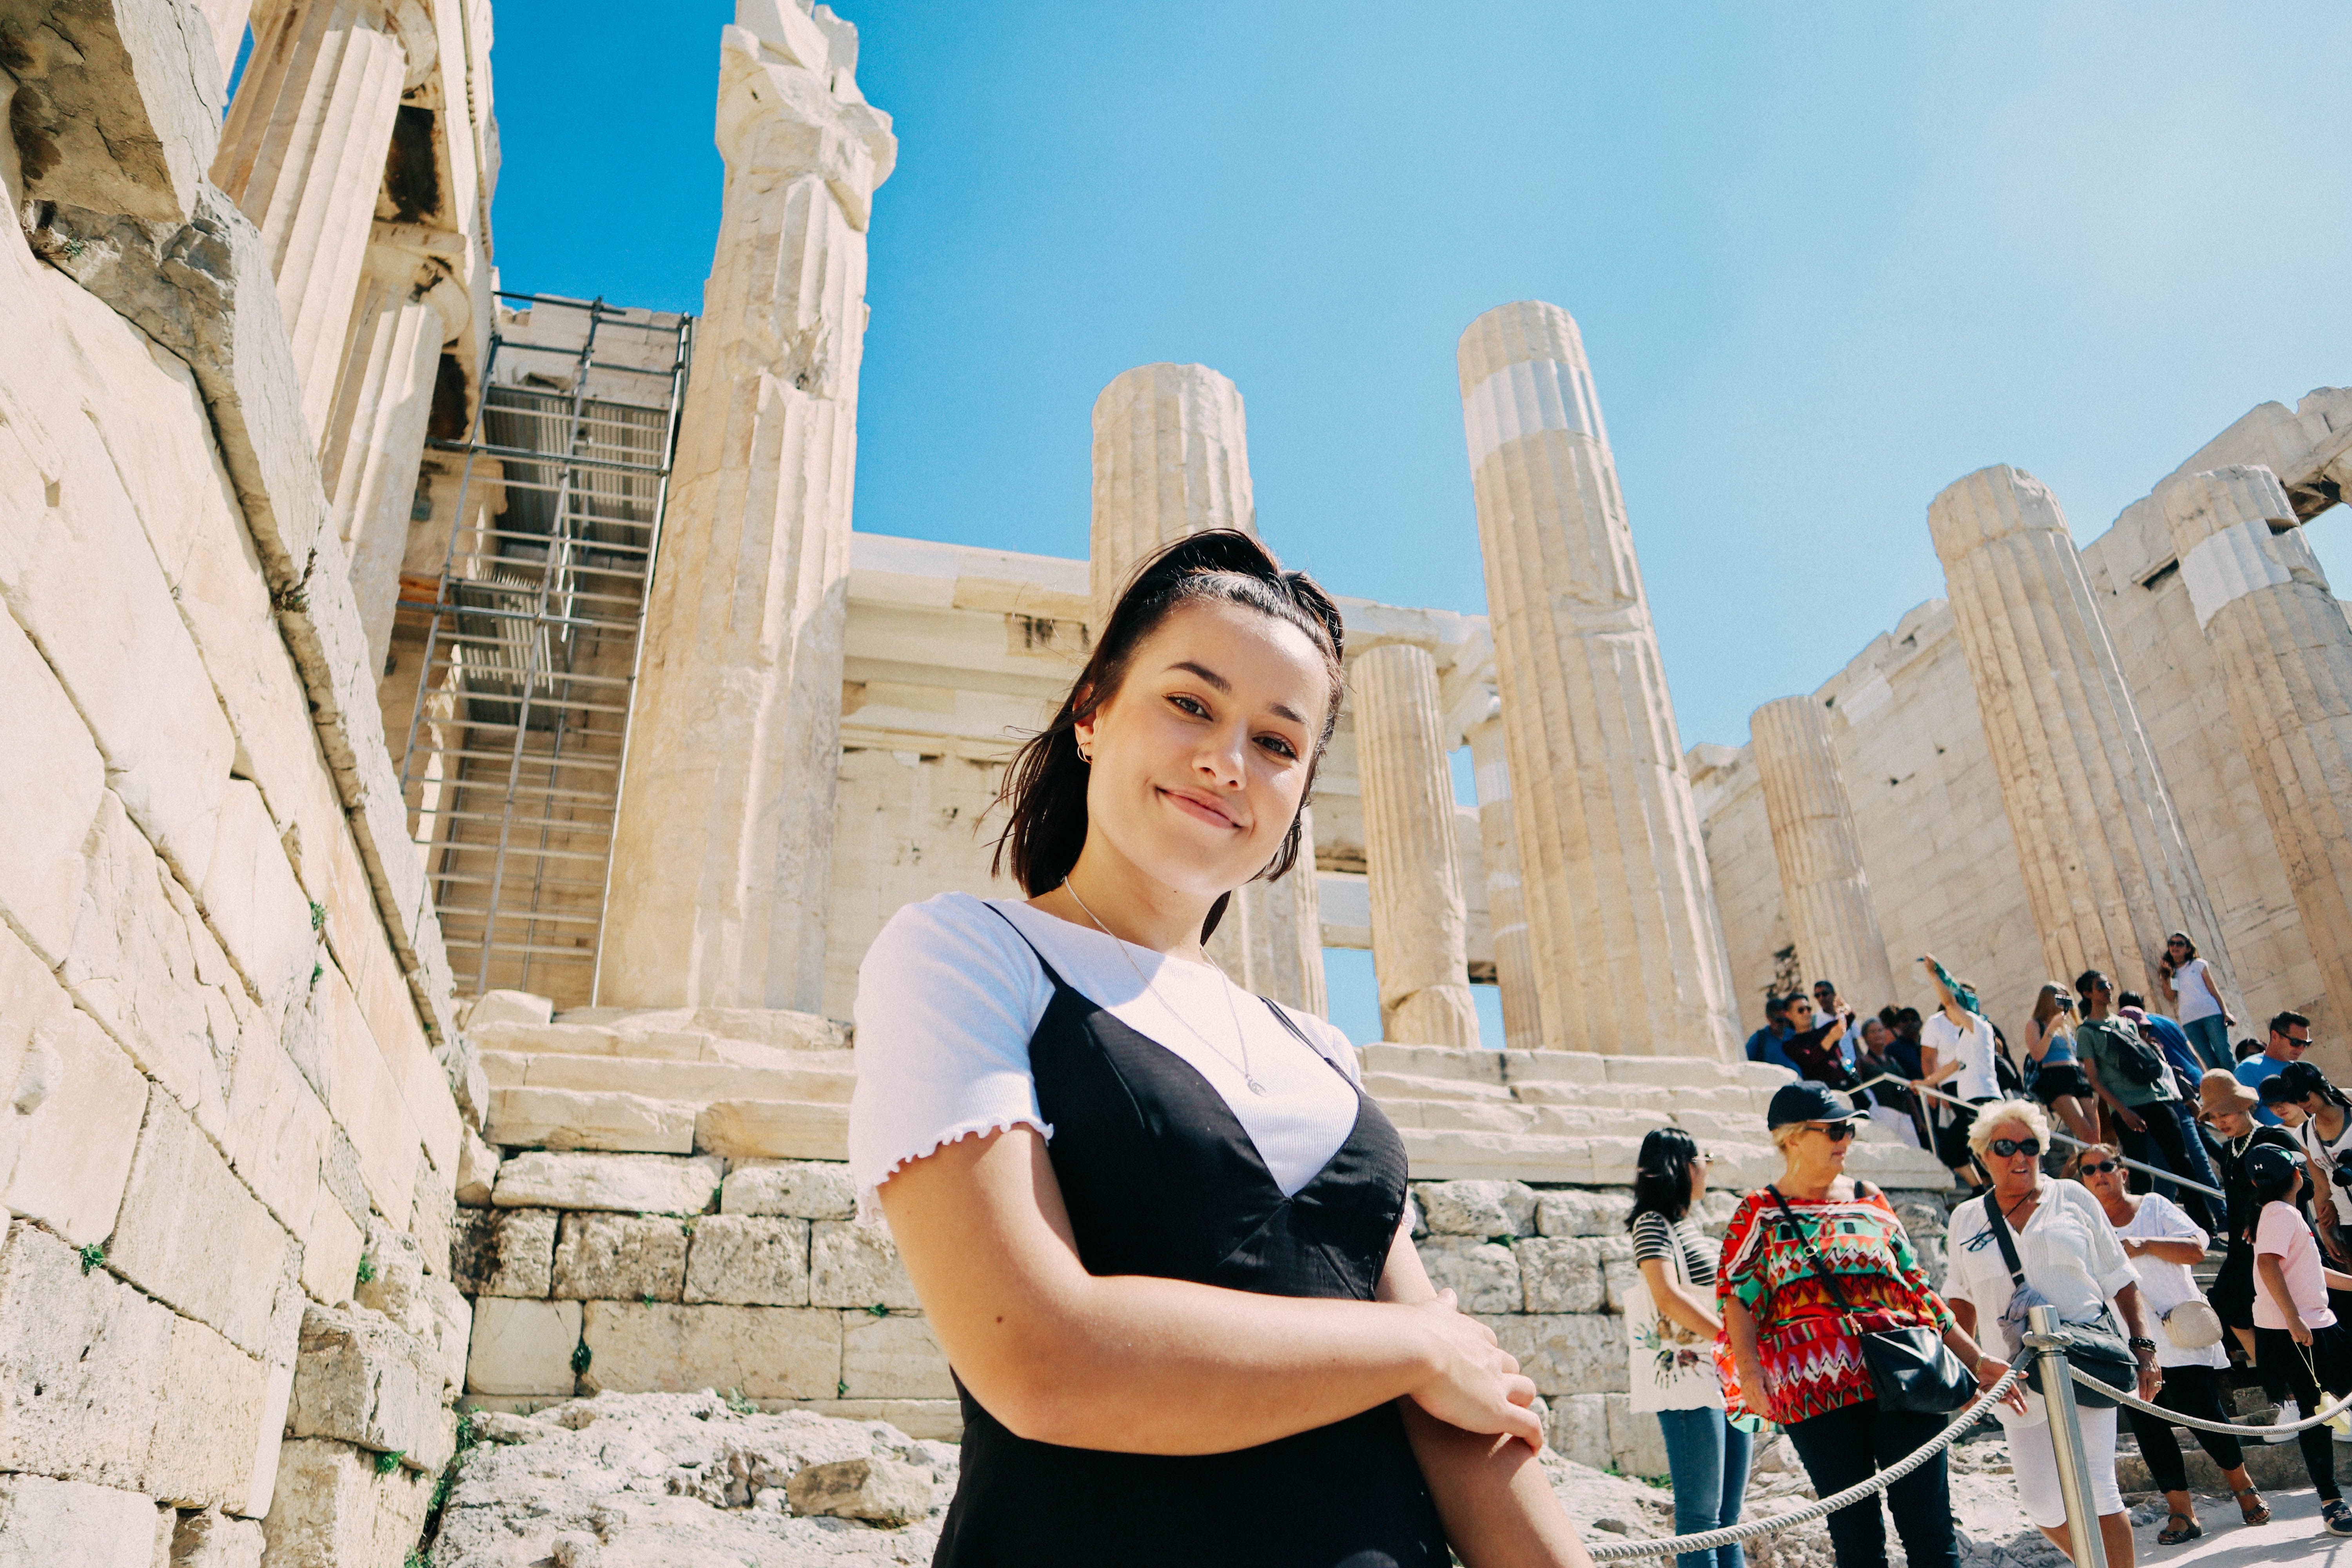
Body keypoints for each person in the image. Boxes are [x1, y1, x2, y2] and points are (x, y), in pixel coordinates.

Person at [848, 532, 1582, 1564]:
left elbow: (1462, 1418)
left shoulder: (1321, 1049)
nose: (1227, 761)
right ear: (1092, 711)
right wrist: (1417, 1344)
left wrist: (1428, 1355)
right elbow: (1040, 1360)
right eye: (1191, 703)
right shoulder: (968, 953)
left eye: (1278, 742)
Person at [1721, 1084, 2014, 1568]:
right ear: (1792, 1138)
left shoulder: (1869, 1198)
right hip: (1814, 1390)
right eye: (1834, 1129)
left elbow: (1916, 1288)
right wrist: (1750, 1372)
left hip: (1904, 1375)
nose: (1847, 1139)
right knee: (1854, 1535)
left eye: (1850, 1129)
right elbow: (1737, 1298)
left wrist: (1976, 1359)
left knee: (1930, 1528)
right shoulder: (1759, 1212)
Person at [1941, 1103, 2163, 1568]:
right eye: (2005, 1146)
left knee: (2099, 1487)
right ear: (1983, 1154)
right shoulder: (1966, 1217)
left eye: (2030, 1145)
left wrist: (2143, 1346)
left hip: (2085, 1361)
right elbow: (1959, 1301)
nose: (2019, 1156)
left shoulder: (2073, 1198)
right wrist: (1967, 1372)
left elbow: (2120, 1277)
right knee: (2041, 1501)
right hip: (2013, 1377)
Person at [2079, 1143, 2269, 1540]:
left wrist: (2143, 1245)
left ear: (2123, 1171)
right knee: (2149, 1428)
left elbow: (2198, 1249)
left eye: (2106, 1166)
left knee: (2206, 1414)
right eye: (2089, 1170)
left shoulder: (2154, 1206)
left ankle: (2244, 1487)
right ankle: (2182, 1513)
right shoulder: (2086, 1224)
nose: (2099, 1175)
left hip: (2179, 1335)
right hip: (2128, 1342)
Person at [1626, 1129, 1747, 1568]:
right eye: (1704, 1158)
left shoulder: (1685, 1224)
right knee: (1700, 1518)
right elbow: (1667, 1296)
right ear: (1683, 1166)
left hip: (1722, 1375)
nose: (1708, 1168)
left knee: (1729, 1520)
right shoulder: (1651, 1223)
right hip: (1689, 1381)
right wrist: (1731, 1341)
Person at [2247, 1144, 2352, 1535]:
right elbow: (2267, 1263)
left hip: (2314, 1323)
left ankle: (2332, 1499)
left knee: (2324, 1410)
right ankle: (2331, 1503)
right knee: (2315, 1415)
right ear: (2296, 1176)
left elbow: (2311, 1269)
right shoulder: (2279, 1213)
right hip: (2300, 1330)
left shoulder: (2283, 1213)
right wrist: (2293, 1319)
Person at [2074, 969, 2218, 1233]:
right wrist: (2122, 1111)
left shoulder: (2127, 1024)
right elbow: (2094, 1079)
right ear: (2087, 993)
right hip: (2126, 1106)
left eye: (2109, 985)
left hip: (2158, 1099)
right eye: (2101, 986)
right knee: (2138, 1171)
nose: (2108, 990)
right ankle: (2141, 1231)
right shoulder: (2086, 1032)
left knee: (2183, 1164)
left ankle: (2206, 1229)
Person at [2199, 1071, 2304, 1420]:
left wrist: (2264, 1213)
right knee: (2229, 1306)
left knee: (2293, 1317)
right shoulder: (2230, 1149)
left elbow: (2302, 1186)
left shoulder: (2273, 1137)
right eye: (2214, 1117)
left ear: (2245, 1106)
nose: (2220, 1122)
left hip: (2282, 1245)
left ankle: (2304, 1393)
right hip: (2245, 1251)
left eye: (2225, 1113)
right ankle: (2285, 1392)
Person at [1916, 955, 2000, 1191]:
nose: (1948, 1014)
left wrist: (1934, 976)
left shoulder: (1978, 1026)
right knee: (1962, 1148)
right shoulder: (1967, 1037)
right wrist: (1926, 1083)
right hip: (1970, 1103)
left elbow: (1951, 1004)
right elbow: (1953, 1066)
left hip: (1982, 1101)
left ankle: (1988, 1189)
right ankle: (1982, 1190)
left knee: (1956, 1147)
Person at [2278, 1062, 2352, 1266]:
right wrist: (2326, 1232)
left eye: (2304, 1096)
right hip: (2347, 1220)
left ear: (2320, 1086)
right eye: (2294, 1100)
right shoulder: (2304, 1134)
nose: (2301, 1104)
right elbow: (2321, 1187)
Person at [2022, 983, 2098, 1149]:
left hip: (2077, 1076)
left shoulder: (2068, 1028)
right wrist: (2051, 1029)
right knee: (2086, 1136)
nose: (2065, 1003)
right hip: (2056, 1078)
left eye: (2067, 999)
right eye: (2060, 999)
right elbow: (2037, 1055)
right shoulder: (2035, 1024)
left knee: (2095, 1138)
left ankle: (2083, 1162)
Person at [2158, 931, 2236, 1071]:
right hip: (2190, 1021)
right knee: (2208, 1062)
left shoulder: (2198, 965)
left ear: (2188, 948)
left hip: (2211, 1014)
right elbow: (2170, 997)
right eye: (2172, 943)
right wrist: (2170, 975)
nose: (2175, 947)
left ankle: (2238, 1083)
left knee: (2224, 1055)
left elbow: (2214, 991)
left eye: (2180, 944)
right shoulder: (2169, 972)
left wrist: (2226, 1013)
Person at [1854, 1018, 1922, 1150]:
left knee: (1913, 1151)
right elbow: (1860, 1092)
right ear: (1865, 1037)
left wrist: (1918, 1118)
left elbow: (1906, 1089)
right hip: (1882, 1114)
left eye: (1880, 1030)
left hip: (1903, 1114)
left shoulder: (1892, 1060)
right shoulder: (1862, 1062)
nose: (1878, 1034)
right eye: (1873, 1032)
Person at [2240, 1013, 2316, 1126]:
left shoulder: (2299, 1069)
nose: (2301, 1049)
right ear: (2275, 1036)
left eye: (2306, 1044)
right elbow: (2241, 1118)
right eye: (2296, 1042)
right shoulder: (2248, 1070)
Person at [1780, 991, 1855, 1090]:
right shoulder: (1790, 1045)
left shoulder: (1824, 1031)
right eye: (1801, 1010)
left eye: (1809, 1009)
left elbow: (1849, 1017)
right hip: (1825, 1092)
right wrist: (1831, 1038)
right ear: (1789, 1015)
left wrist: (1843, 1007)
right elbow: (1809, 1059)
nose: (1806, 1013)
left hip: (1848, 1086)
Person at [1745, 994, 1798, 1074]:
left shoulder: (1793, 1035)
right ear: (1769, 1018)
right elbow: (1747, 1064)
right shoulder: (1759, 1039)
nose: (1784, 1024)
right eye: (1780, 1021)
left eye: (1786, 1020)